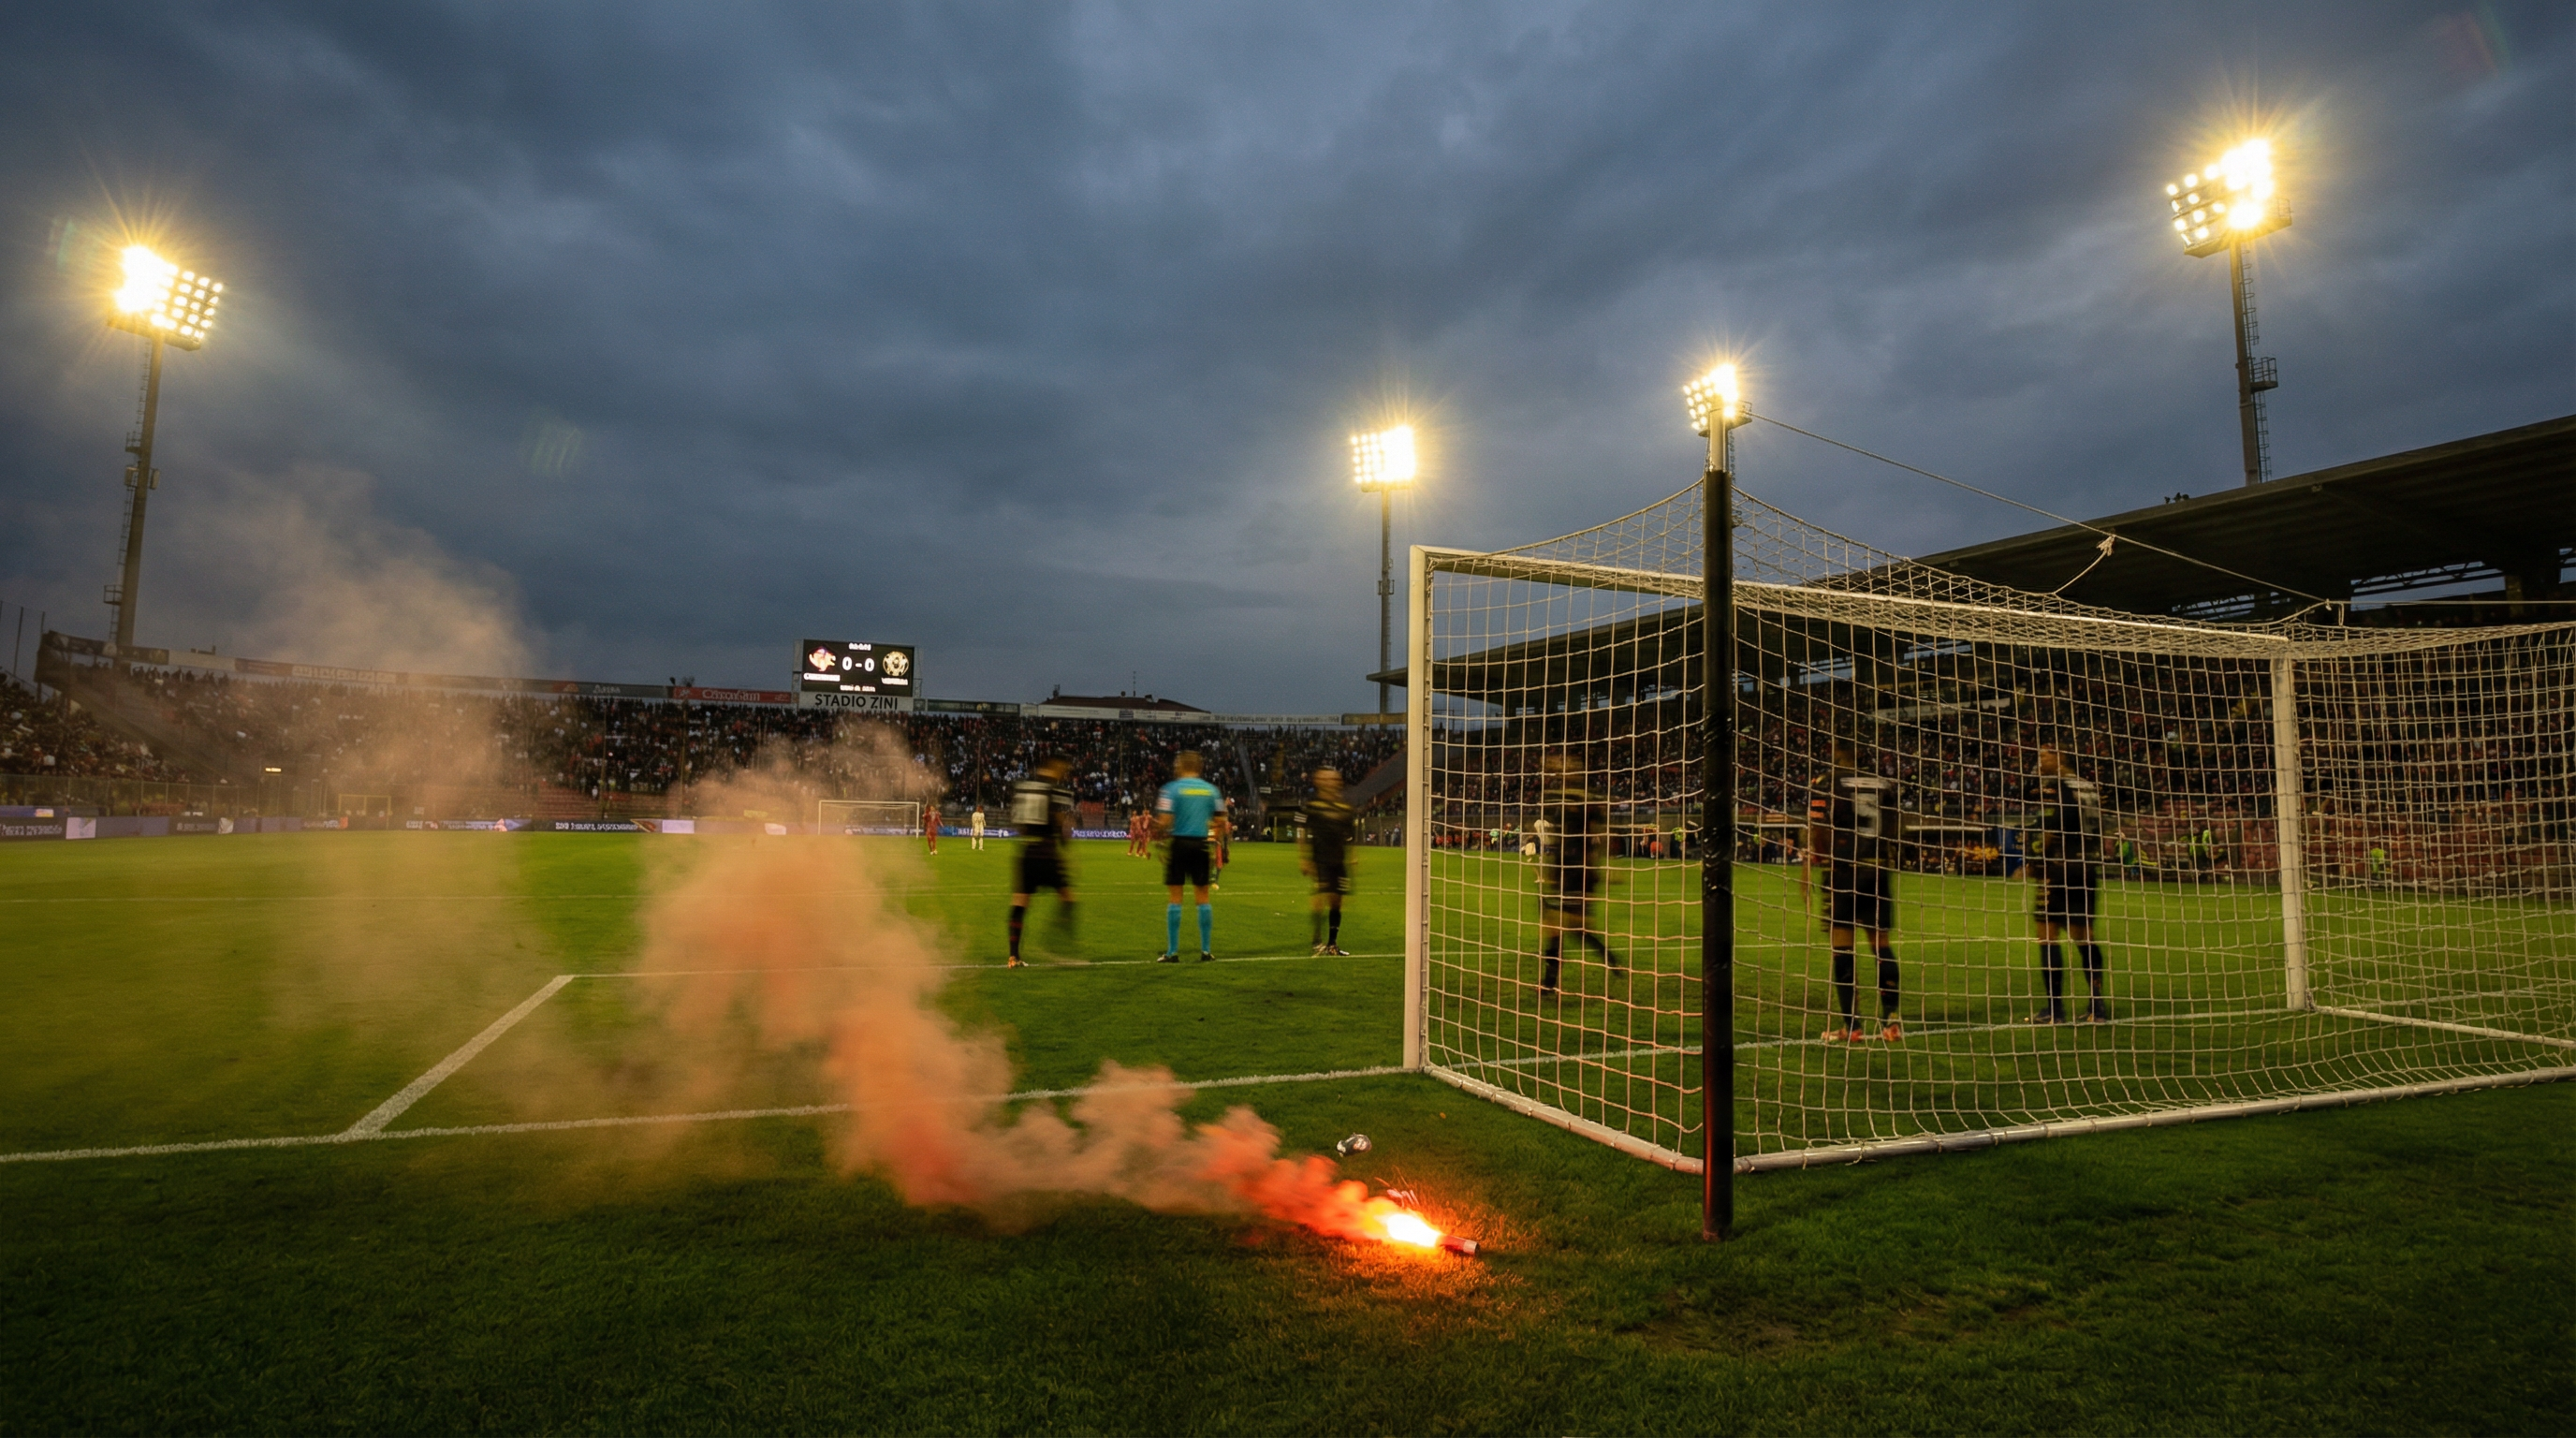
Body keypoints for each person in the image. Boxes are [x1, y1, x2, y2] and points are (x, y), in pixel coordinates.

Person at [1805, 737, 1903, 1042]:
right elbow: (1895, 826)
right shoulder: (1883, 783)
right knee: (1881, 945)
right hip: (1876, 869)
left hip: (1843, 870)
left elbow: (1818, 826)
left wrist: (1814, 860)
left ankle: (1853, 1026)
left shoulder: (1825, 781)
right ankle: (1891, 1023)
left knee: (1842, 947)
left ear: (1836, 750)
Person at [2024, 746, 2108, 1024]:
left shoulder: (2058, 789)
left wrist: (2036, 861)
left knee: (2047, 934)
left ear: (2060, 757)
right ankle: (2097, 1008)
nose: (2040, 761)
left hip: (2059, 869)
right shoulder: (2088, 787)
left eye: (2045, 756)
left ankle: (2054, 1010)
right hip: (2085, 868)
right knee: (2084, 936)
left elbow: (2053, 827)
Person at [1536, 752, 1619, 994]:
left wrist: (1600, 866)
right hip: (1562, 869)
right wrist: (1552, 871)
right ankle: (1608, 958)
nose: (1564, 769)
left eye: (1568, 765)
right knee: (1564, 929)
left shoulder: (1588, 801)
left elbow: (1598, 836)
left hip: (1579, 873)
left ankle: (1549, 983)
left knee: (1568, 929)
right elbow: (1559, 838)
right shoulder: (1560, 799)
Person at [1154, 751, 1227, 961]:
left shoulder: (1171, 789)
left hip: (1179, 844)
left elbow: (1165, 821)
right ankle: (1205, 951)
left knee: (1175, 898)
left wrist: (1159, 839)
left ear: (1180, 765)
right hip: (1201, 845)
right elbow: (1221, 821)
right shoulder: (1211, 791)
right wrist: (1213, 840)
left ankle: (1172, 952)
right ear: (1199, 767)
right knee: (1203, 898)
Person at [1004, 758, 1076, 968]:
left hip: (1026, 851)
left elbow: (1018, 824)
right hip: (1047, 852)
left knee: (1019, 902)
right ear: (1055, 768)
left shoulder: (1023, 789)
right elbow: (1060, 822)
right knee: (1069, 899)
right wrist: (1065, 847)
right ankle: (1054, 945)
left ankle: (1013, 956)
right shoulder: (1055, 791)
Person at [1299, 767, 1357, 956]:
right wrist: (1304, 857)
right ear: (1318, 781)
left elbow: (1350, 836)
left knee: (1336, 901)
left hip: (1338, 860)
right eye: (1325, 779)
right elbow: (1301, 828)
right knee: (1319, 898)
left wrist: (1353, 856)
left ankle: (1332, 944)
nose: (1330, 782)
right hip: (1320, 859)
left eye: (1333, 779)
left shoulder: (1346, 807)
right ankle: (1317, 941)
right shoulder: (1312, 805)